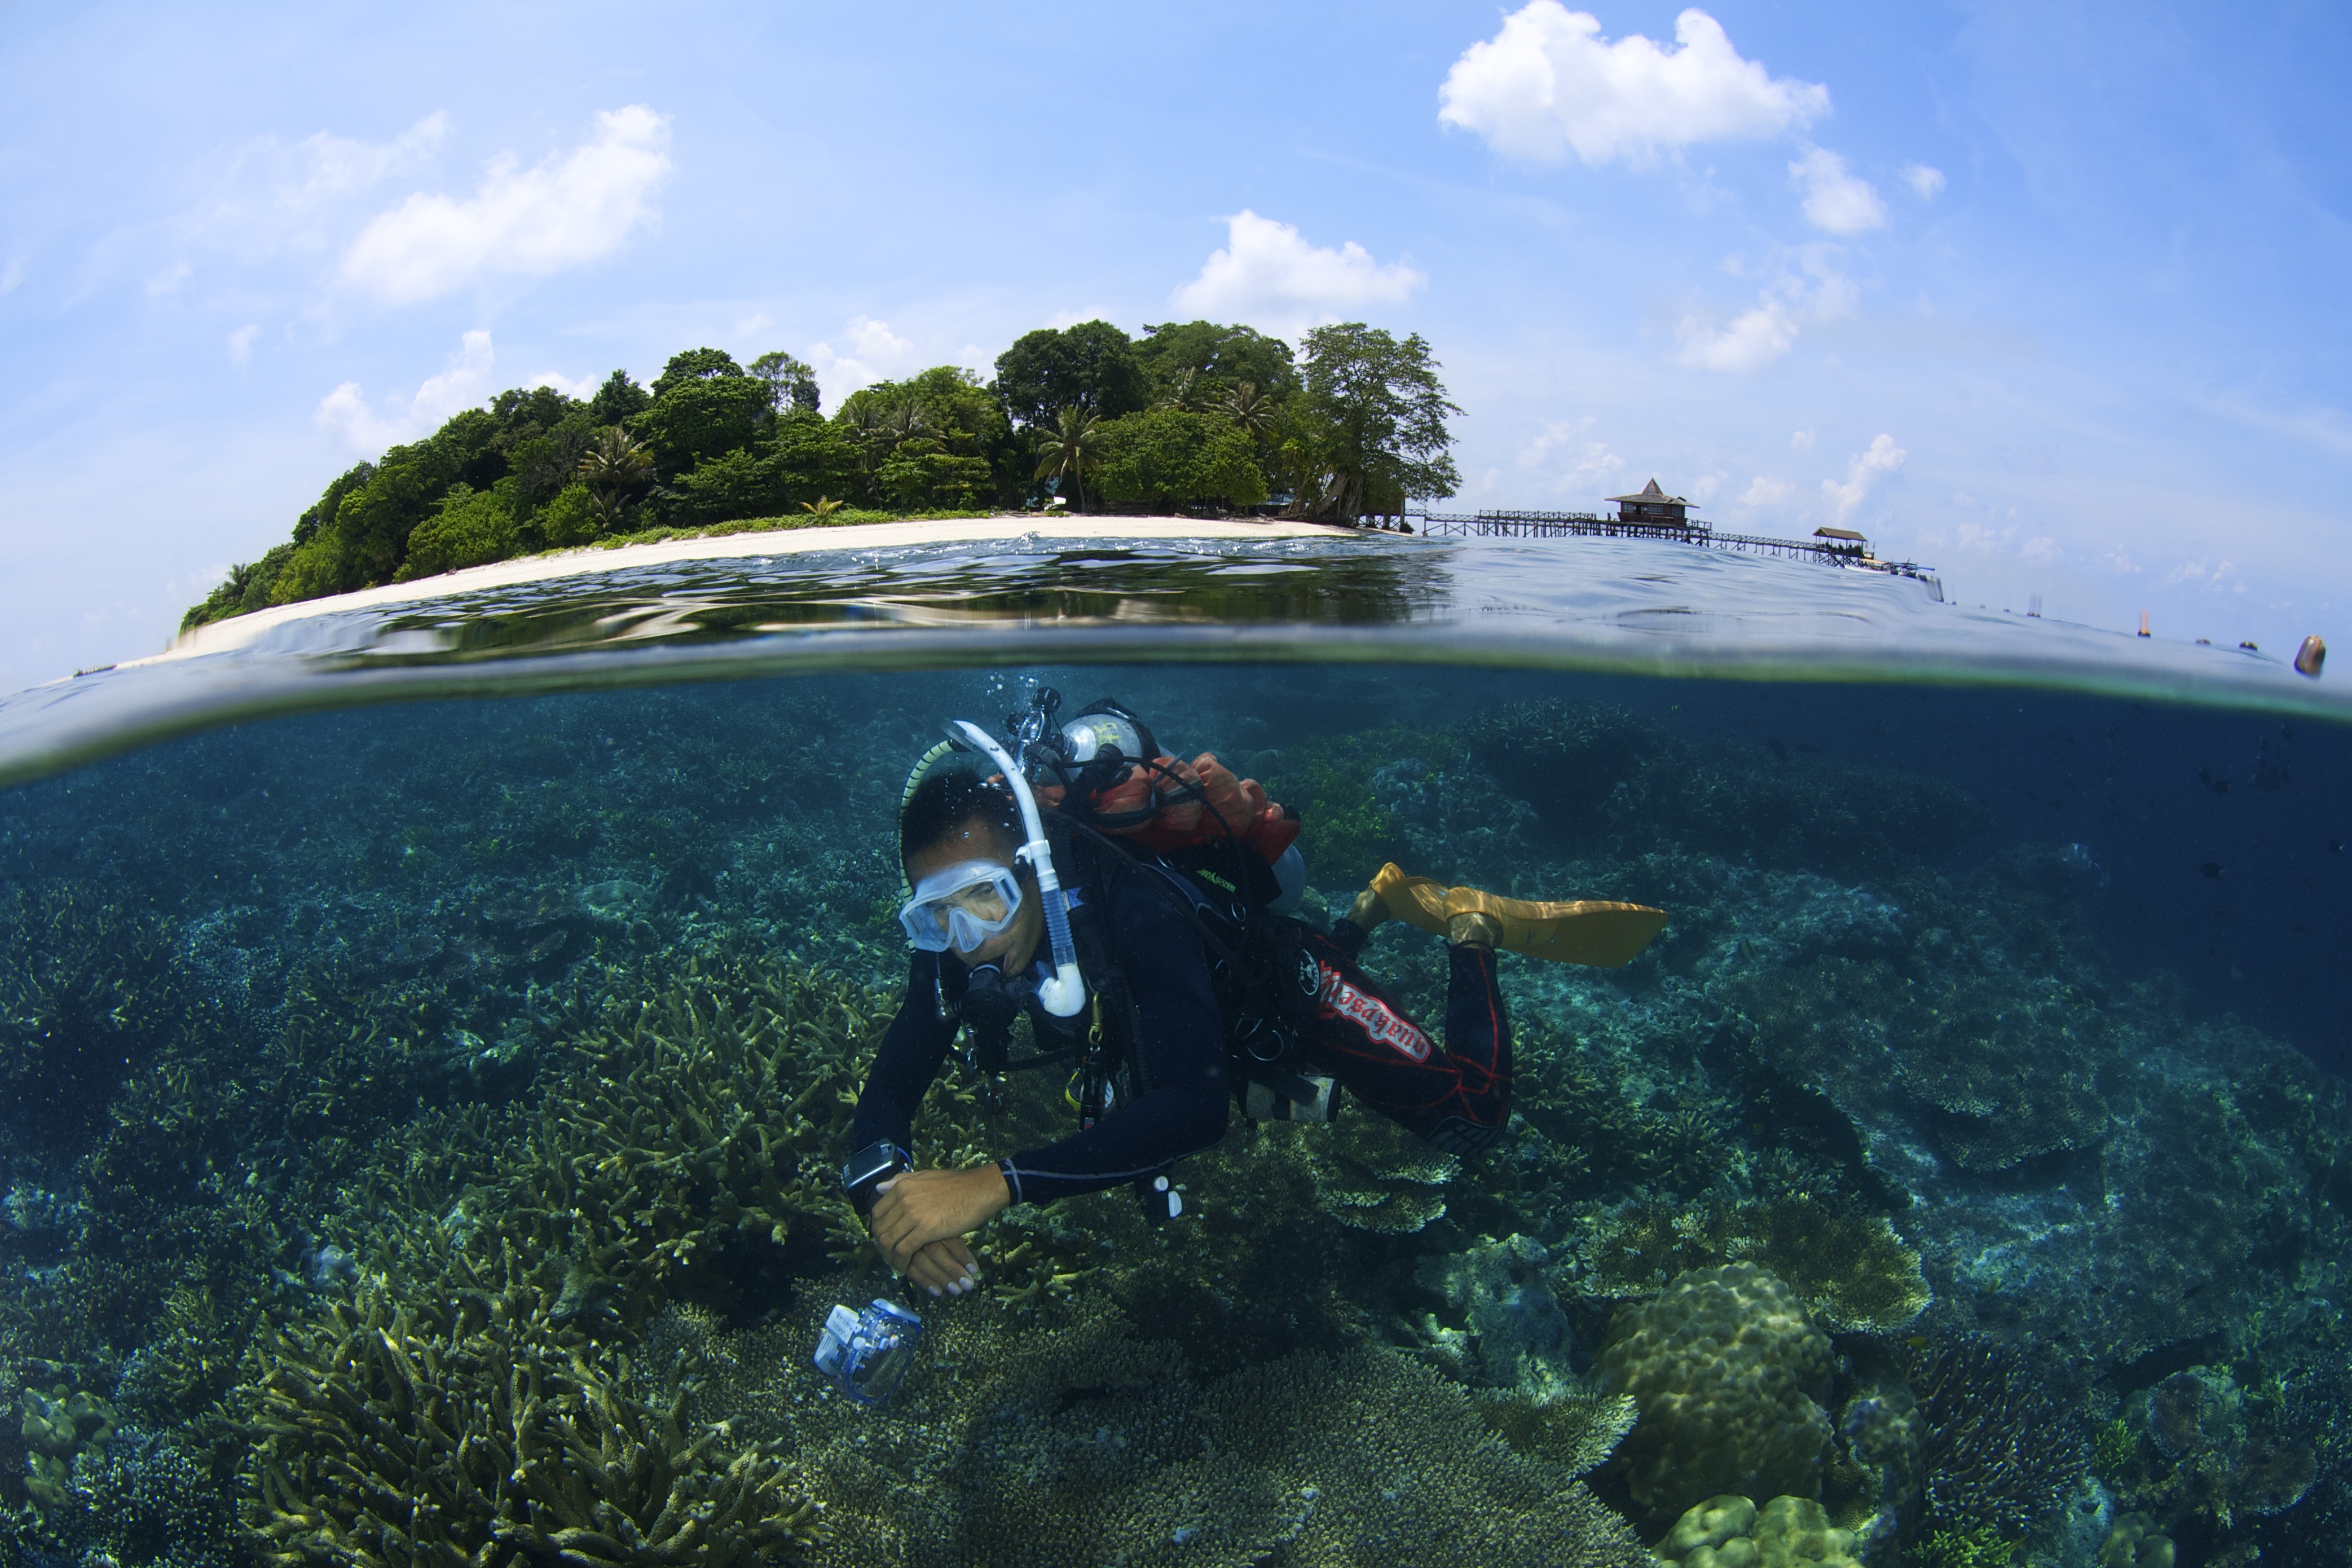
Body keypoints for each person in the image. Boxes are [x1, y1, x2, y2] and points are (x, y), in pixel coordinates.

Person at [843, 695, 1667, 1298]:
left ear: (1032, 868)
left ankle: (1472, 930)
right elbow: (887, 1092)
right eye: (933, 915)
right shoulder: (957, 948)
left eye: (981, 897)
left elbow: (1192, 1110)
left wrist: (994, 1182)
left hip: (1283, 990)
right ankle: (1368, 909)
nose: (966, 938)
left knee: (1471, 1119)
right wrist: (893, 1211)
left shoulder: (1135, 907)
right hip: (1204, 1020)